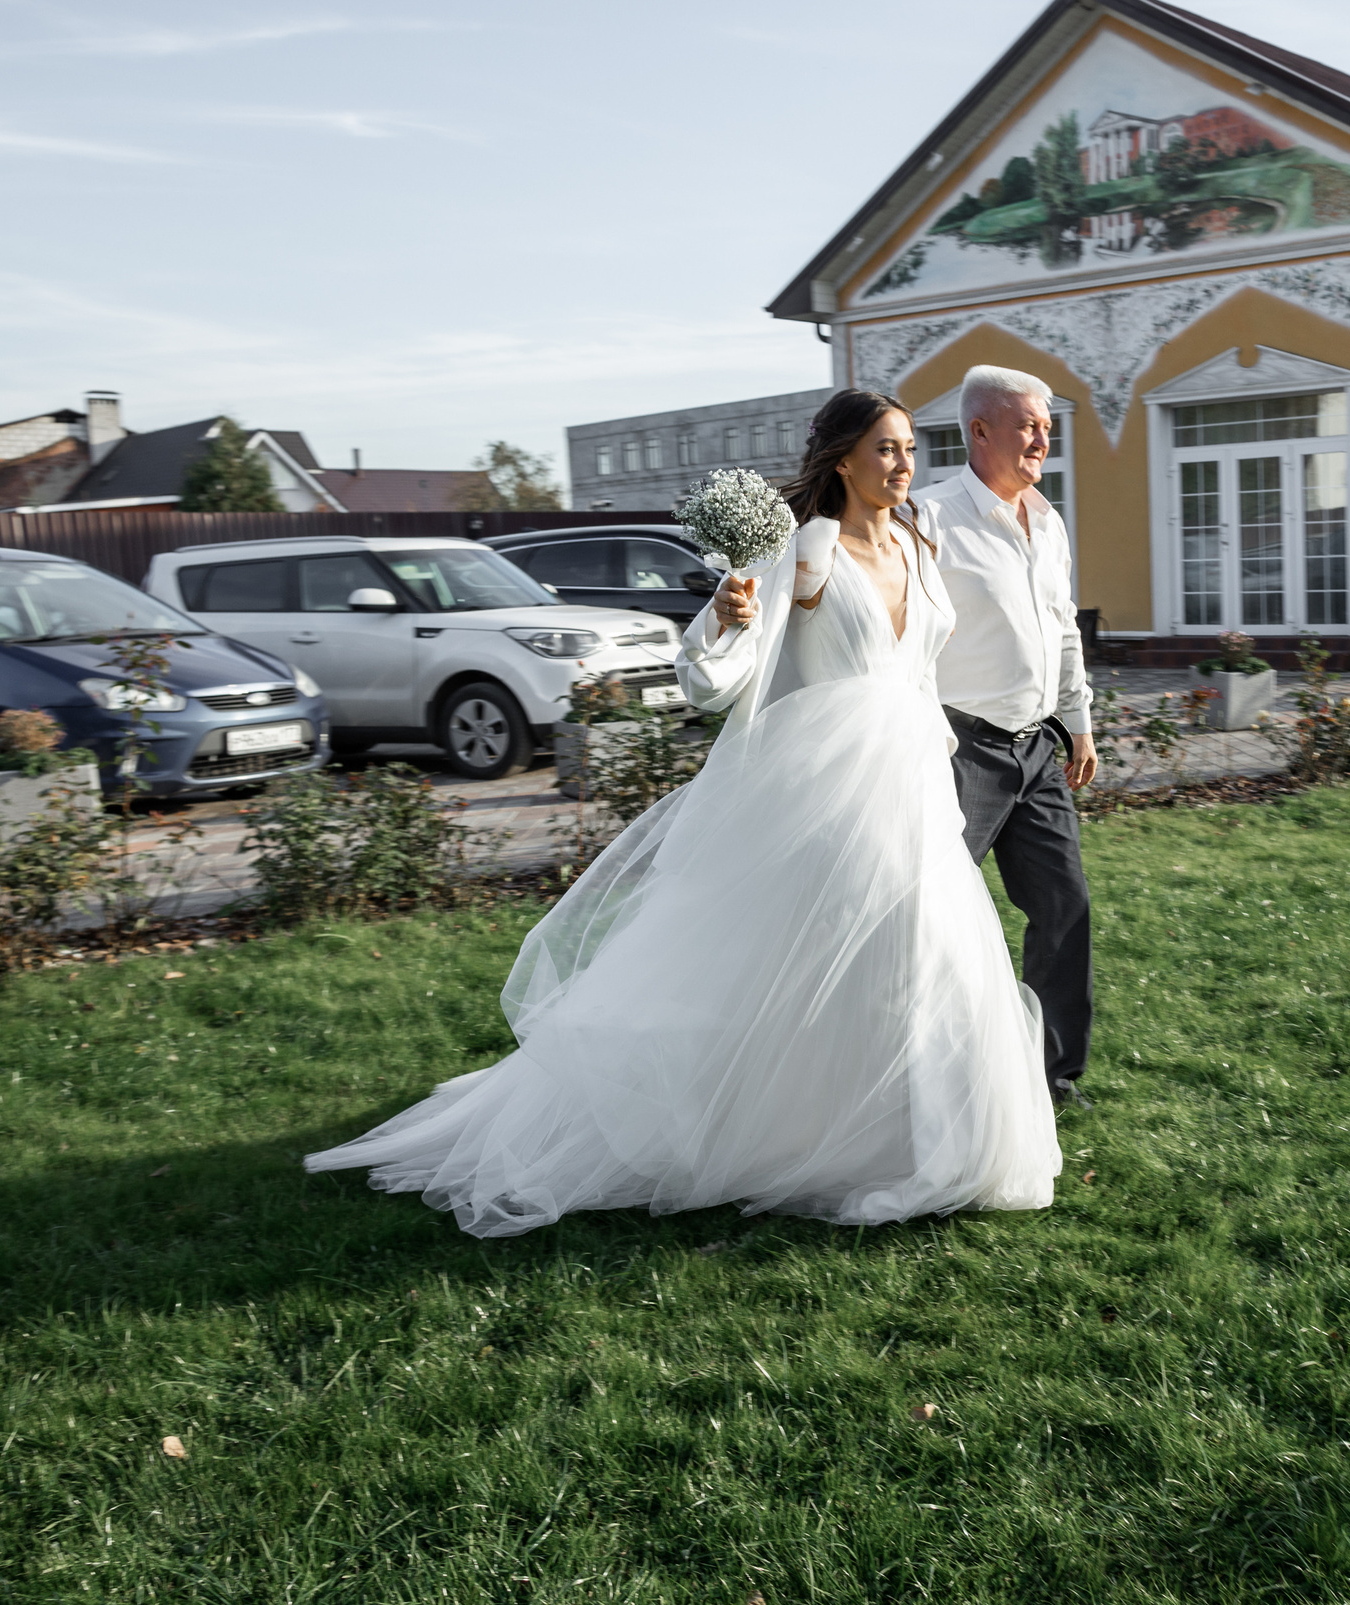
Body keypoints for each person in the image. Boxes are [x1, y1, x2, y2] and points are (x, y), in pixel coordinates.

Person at [304, 389, 1061, 1235]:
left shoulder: (920, 546)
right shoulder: (807, 548)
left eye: (910, 448)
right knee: (841, 953)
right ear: (843, 460)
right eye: (885, 449)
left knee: (929, 950)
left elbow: (922, 668)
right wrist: (725, 618)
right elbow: (718, 675)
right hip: (830, 781)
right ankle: (808, 1134)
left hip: (914, 773)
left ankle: (914, 1138)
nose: (903, 465)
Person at [925, 365, 1097, 1106]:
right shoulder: (927, 518)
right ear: (980, 430)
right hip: (958, 752)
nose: (1042, 438)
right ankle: (924, 1069)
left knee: (1063, 906)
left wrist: (1078, 720)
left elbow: (1063, 628)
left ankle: (1051, 1077)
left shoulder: (1047, 521)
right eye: (1028, 423)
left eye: (1047, 426)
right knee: (931, 920)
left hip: (1036, 749)